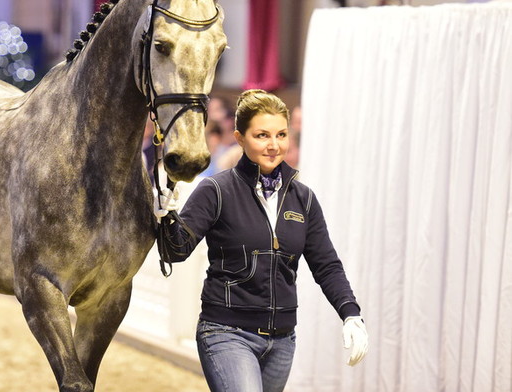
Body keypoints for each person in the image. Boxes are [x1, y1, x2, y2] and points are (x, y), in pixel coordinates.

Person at [155, 89, 367, 392]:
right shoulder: (216, 191)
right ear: (240, 138)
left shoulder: (303, 199)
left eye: (281, 134)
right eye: (262, 135)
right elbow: (175, 251)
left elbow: (326, 264)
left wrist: (351, 313)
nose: (273, 145)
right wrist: (166, 217)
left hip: (282, 340)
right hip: (226, 333)